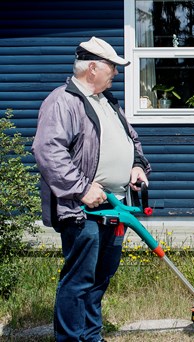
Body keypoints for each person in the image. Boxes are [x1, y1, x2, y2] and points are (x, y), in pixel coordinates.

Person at [32, 36, 151, 342]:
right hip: (81, 209)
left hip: (115, 206)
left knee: (100, 278)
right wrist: (81, 188)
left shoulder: (108, 102)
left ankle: (91, 336)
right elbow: (48, 152)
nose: (116, 73)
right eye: (113, 67)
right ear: (93, 67)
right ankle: (71, 339)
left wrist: (137, 165)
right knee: (79, 280)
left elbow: (131, 140)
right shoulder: (62, 101)